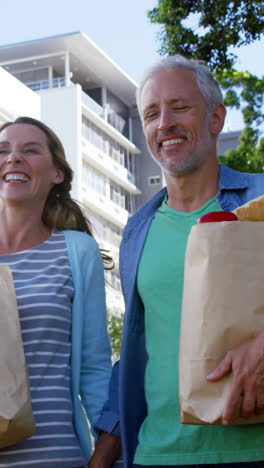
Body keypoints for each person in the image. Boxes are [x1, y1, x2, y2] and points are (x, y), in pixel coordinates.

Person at [89, 54, 264, 468]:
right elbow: (136, 352)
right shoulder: (136, 230)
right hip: (156, 455)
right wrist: (101, 457)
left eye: (180, 107)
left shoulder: (261, 200)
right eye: (151, 113)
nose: (164, 123)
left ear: (216, 118)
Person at [0, 116, 112, 468]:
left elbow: (94, 369)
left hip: (55, 457)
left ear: (57, 174)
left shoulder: (77, 252)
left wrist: (108, 457)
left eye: (30, 151)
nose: (13, 158)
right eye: (3, 151)